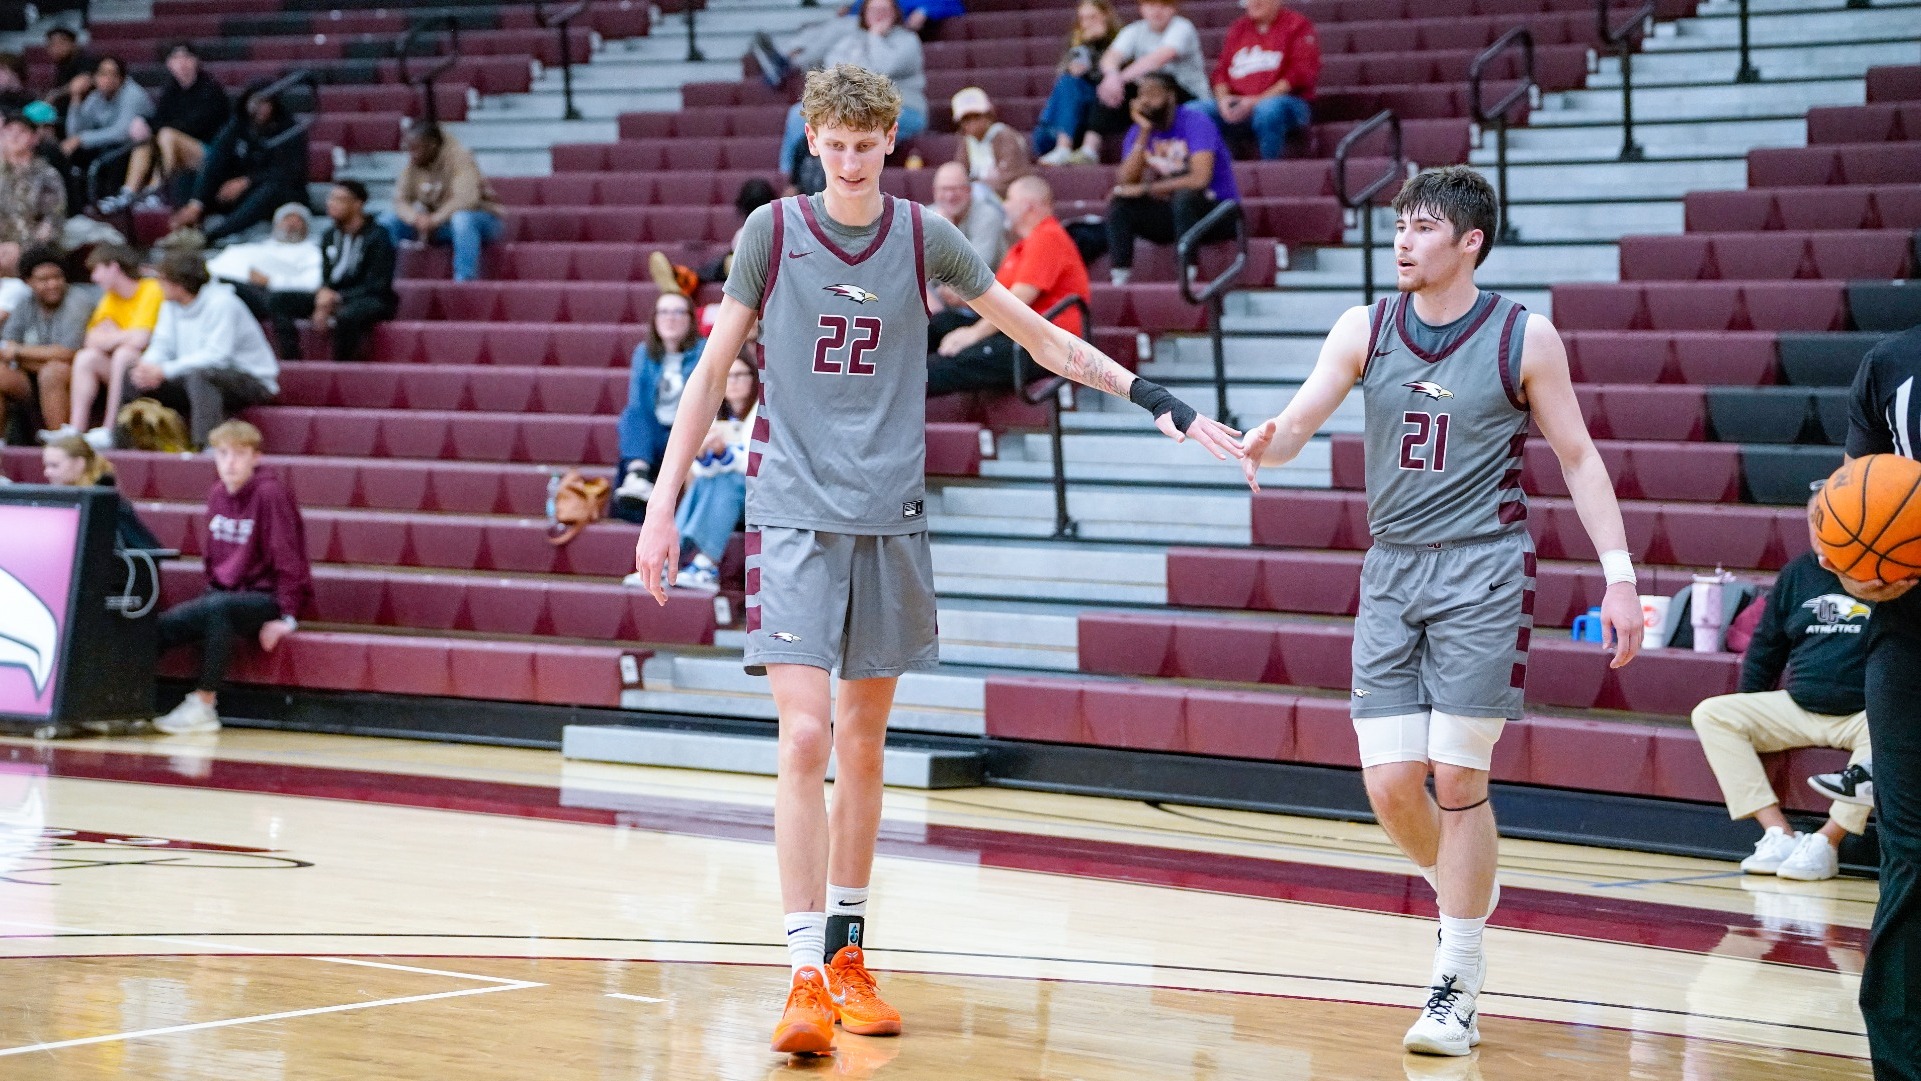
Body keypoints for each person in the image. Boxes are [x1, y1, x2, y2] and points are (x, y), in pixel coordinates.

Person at [629, 62, 1238, 1057]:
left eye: (870, 145)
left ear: (889, 145)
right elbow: (706, 377)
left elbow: (1040, 339)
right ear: (813, 139)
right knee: (804, 738)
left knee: (865, 742)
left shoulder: (925, 236)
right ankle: (798, 974)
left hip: (892, 515)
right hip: (792, 514)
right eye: (838, 143)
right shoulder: (772, 233)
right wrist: (662, 507)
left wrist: (1159, 401)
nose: (854, 158)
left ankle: (849, 953)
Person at [1241, 165, 1645, 1057]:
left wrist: (1617, 575)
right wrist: (1272, 435)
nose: (1401, 240)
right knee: (1389, 783)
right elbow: (1306, 412)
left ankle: (1456, 976)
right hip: (1390, 570)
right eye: (1397, 225)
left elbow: (1577, 458)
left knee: (1457, 779)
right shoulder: (1364, 325)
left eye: (1422, 228)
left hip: (1482, 570)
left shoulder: (1522, 336)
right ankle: (1462, 892)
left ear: (1469, 243)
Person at [1691, 497, 1873, 883]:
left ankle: (1826, 843)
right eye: (1815, 519)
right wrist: (1750, 703)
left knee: (1896, 729)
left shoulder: (1881, 570)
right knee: (1713, 714)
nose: (1821, 528)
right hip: (1799, 706)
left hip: (1863, 714)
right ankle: (1779, 834)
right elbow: (1766, 648)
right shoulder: (1797, 574)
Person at [1834, 320, 1921, 1079]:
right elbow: (1847, 502)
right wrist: (1855, 571)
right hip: (1908, 635)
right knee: (1910, 847)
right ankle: (1900, 1061)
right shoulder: (1889, 362)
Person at [151, 418, 310, 735]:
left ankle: (204, 704)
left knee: (218, 608)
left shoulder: (271, 495)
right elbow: (213, 555)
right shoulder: (217, 494)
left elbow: (289, 558)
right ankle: (130, 699)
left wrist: (288, 617)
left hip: (267, 598)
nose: (230, 462)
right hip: (224, 597)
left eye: (239, 454)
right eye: (222, 454)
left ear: (256, 457)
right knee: (160, 627)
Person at [929, 174, 1088, 397]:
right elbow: (996, 300)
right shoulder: (1022, 246)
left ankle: (885, 398)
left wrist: (973, 334)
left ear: (1027, 206)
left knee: (943, 364)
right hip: (1018, 333)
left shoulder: (1048, 237)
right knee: (941, 323)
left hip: (1046, 345)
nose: (1004, 205)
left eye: (1009, 199)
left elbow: (1018, 301)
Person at [126, 249, 278, 448]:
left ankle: (204, 447)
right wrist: (147, 367)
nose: (158, 285)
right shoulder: (170, 304)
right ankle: (123, 444)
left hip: (252, 380)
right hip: (194, 376)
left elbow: (217, 356)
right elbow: (162, 344)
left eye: (163, 279)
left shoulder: (223, 303)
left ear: (180, 283)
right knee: (130, 372)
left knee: (202, 376)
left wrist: (164, 371)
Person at [1104, 72, 1239, 285]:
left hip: (1217, 212)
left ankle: (1188, 273)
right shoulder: (1138, 131)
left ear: (1170, 96)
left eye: (1152, 94)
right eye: (1141, 95)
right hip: (1177, 216)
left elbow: (1199, 180)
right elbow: (1125, 181)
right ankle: (1119, 278)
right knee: (1121, 203)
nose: (1145, 101)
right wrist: (1144, 133)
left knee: (1185, 197)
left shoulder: (1196, 122)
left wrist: (1145, 189)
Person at [779, 0, 926, 194]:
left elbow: (881, 71)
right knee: (797, 115)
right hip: (851, 106)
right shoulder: (850, 39)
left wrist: (875, 36)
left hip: (902, 109)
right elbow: (835, 72)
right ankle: (790, 182)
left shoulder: (907, 40)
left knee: (854, 121)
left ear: (896, 13)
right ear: (863, 13)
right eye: (873, 9)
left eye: (885, 10)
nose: (878, 14)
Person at [268, 182, 395, 362]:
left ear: (357, 204)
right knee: (278, 300)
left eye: (339, 199)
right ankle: (292, 359)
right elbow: (328, 277)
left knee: (347, 316)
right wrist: (323, 298)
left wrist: (336, 298)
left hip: (371, 297)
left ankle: (342, 368)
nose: (331, 203)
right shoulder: (329, 235)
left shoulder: (378, 236)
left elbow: (378, 284)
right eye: (330, 199)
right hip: (334, 295)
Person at [170, 86, 309, 246]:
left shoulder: (289, 129)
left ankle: (211, 236)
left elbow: (289, 172)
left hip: (279, 194)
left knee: (271, 189)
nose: (260, 108)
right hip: (238, 193)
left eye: (265, 102)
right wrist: (197, 203)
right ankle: (186, 227)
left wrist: (247, 181)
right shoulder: (237, 125)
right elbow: (215, 160)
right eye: (256, 102)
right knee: (187, 176)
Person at [54, 243, 161, 449]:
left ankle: (110, 430)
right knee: (87, 357)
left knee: (123, 353)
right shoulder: (110, 297)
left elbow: (141, 340)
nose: (94, 278)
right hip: (121, 371)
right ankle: (76, 430)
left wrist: (112, 336)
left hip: (150, 371)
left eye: (96, 270)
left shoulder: (151, 289)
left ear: (113, 267)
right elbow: (90, 340)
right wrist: (123, 336)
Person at [613, 292, 707, 519]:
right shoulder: (644, 353)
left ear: (690, 319)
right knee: (632, 414)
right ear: (654, 320)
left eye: (678, 312)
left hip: (690, 432)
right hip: (656, 434)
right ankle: (638, 475)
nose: (670, 318)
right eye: (663, 312)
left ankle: (639, 477)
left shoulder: (704, 351)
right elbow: (639, 404)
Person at [104, 43, 230, 212]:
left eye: (187, 57)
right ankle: (128, 192)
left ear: (196, 61)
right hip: (177, 146)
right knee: (146, 140)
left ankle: (156, 190)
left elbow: (194, 126)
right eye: (177, 58)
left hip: (210, 153)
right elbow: (160, 119)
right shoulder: (171, 89)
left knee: (167, 135)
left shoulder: (210, 89)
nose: (182, 63)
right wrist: (143, 122)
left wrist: (156, 127)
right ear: (169, 64)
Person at [672, 354, 760, 590]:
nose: (734, 381)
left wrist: (723, 453)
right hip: (726, 494)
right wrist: (703, 454)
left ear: (754, 378)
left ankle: (706, 564)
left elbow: (755, 464)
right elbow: (701, 470)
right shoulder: (715, 412)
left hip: (758, 497)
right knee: (707, 481)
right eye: (728, 376)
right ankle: (670, 557)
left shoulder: (763, 412)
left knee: (729, 480)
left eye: (741, 375)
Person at [1084, 0, 1208, 162]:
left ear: (1173, 9)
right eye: (1151, 5)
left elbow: (1157, 60)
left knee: (1158, 79)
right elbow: (1110, 57)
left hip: (1187, 94)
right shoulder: (1134, 30)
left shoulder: (1182, 27)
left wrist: (1118, 80)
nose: (1156, 11)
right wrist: (1112, 76)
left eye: (1163, 6)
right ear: (1141, 8)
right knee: (1107, 82)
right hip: (1151, 93)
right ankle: (1089, 149)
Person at [377, 125, 503, 284]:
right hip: (437, 226)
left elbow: (466, 199)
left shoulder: (460, 158)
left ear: (432, 146)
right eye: (408, 149)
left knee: (462, 219)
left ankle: (464, 281)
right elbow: (400, 200)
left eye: (415, 149)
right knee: (386, 221)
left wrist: (435, 219)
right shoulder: (414, 164)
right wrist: (415, 218)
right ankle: (383, 281)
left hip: (482, 221)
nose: (411, 155)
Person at [1202, 0, 1318, 161]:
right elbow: (1221, 73)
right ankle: (1215, 173)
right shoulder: (1239, 28)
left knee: (1267, 110)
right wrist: (1223, 101)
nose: (1253, 3)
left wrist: (1254, 102)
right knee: (1195, 111)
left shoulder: (1297, 24)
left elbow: (1299, 74)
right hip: (1240, 102)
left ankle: (1268, 173)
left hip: (1288, 103)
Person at [2, 247, 95, 442]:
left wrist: (19, 352)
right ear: (28, 282)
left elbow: (68, 352)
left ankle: (63, 444)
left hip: (71, 375)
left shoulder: (77, 301)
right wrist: (20, 353)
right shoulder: (25, 303)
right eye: (44, 280)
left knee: (52, 371)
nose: (53, 284)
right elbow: (6, 346)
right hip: (29, 375)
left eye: (57, 277)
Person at [648, 178, 779, 299]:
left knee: (725, 263)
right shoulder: (782, 224)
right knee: (724, 263)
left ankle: (683, 277)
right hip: (758, 271)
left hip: (752, 270)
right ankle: (685, 277)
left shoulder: (745, 233)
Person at [1034, 0, 1123, 165]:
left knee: (1071, 84)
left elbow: (1110, 78)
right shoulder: (1078, 41)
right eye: (1083, 18)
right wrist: (1084, 46)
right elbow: (1067, 73)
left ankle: (1063, 146)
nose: (1087, 23)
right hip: (1076, 108)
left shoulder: (1121, 39)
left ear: (1106, 16)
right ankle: (1060, 145)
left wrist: (1099, 44)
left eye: (1093, 17)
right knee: (1067, 82)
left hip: (1104, 107)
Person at [59, 56, 152, 207]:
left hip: (136, 149)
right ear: (94, 78)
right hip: (109, 147)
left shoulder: (133, 94)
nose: (108, 79)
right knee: (72, 154)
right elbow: (74, 133)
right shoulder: (96, 97)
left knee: (106, 155)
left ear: (122, 78)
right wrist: (75, 98)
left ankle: (113, 201)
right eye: (103, 74)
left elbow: (122, 132)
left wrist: (80, 139)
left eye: (113, 74)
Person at [41, 431, 160, 549]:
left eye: (54, 466)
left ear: (79, 464)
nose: (47, 472)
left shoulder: (104, 503)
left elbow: (143, 546)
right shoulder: (59, 500)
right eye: (46, 466)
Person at [209, 202, 322, 299]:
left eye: (298, 220)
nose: (291, 224)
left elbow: (313, 283)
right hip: (226, 282)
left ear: (306, 227)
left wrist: (270, 281)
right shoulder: (261, 245)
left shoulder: (312, 252)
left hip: (268, 293)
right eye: (286, 218)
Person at [0, 110, 65, 271]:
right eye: (8, 132)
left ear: (34, 138)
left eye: (21, 132)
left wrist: (22, 248)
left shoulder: (47, 175)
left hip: (34, 252)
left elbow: (52, 222)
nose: (14, 137)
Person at [949, 87, 1031, 199]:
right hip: (976, 196)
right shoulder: (967, 141)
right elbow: (959, 171)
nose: (972, 123)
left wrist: (981, 185)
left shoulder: (1004, 136)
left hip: (1007, 197)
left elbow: (1013, 175)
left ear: (988, 115)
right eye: (966, 119)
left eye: (977, 116)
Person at [927, 161, 1005, 275]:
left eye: (956, 189)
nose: (950, 196)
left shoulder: (988, 216)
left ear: (969, 190)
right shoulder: (925, 215)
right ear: (934, 192)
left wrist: (946, 235)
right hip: (939, 290)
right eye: (944, 189)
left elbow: (975, 270)